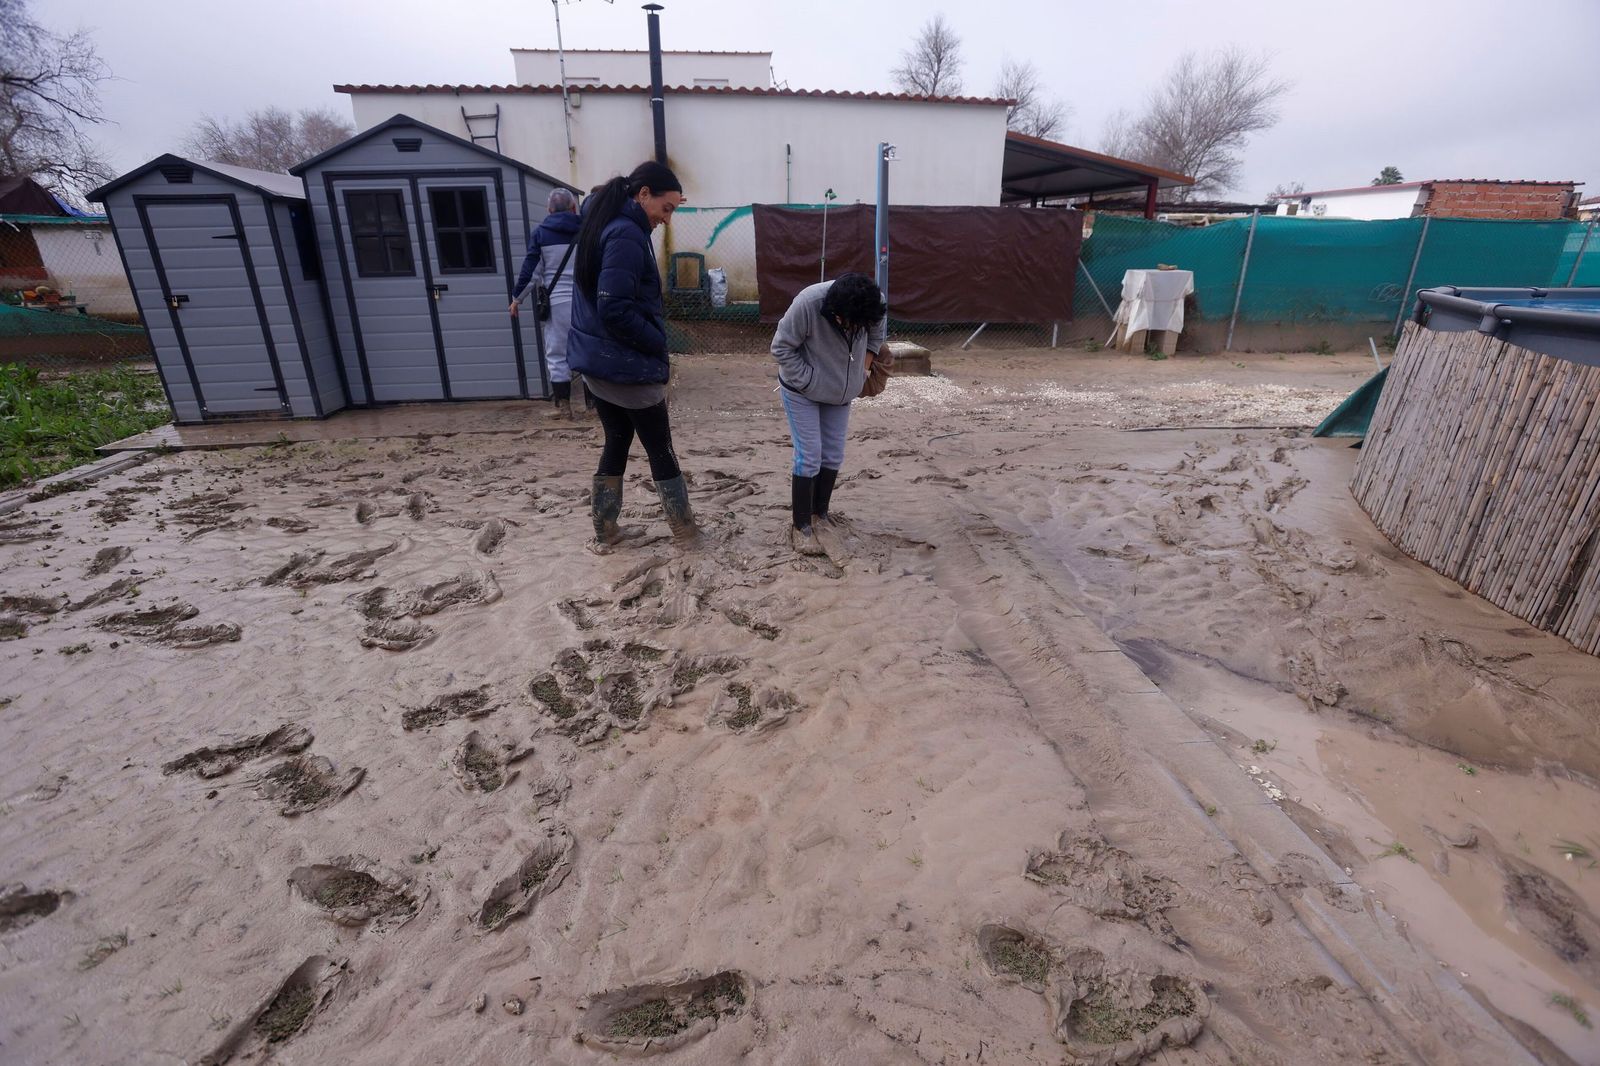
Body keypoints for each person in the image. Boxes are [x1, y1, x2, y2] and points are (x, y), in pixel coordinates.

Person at [567, 161, 697, 544]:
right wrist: (658, 343)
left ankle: (605, 530)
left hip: (599, 361)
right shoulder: (625, 233)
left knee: (618, 438)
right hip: (625, 365)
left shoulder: (603, 221)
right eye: (666, 208)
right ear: (643, 195)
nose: (667, 219)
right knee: (661, 448)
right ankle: (686, 532)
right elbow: (614, 307)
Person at [770, 272, 888, 555]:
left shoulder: (874, 303)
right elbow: (781, 348)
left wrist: (863, 369)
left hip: (841, 392)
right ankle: (801, 527)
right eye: (849, 324)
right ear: (835, 312)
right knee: (809, 455)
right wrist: (811, 380)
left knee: (833, 454)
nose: (853, 329)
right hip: (802, 391)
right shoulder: (808, 304)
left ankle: (820, 515)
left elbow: (876, 334)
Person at [510, 188, 582, 418]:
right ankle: (595, 405)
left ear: (549, 210)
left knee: (557, 354)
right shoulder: (587, 230)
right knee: (589, 350)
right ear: (574, 207)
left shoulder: (541, 233)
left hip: (558, 303)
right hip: (585, 303)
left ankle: (564, 407)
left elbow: (531, 271)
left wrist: (516, 298)